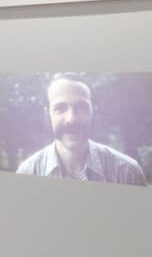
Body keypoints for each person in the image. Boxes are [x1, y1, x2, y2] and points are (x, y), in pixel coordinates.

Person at [16, 76, 147, 185]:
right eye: (60, 108)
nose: (71, 119)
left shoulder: (127, 172)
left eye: (81, 107)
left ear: (93, 112)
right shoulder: (27, 172)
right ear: (47, 115)